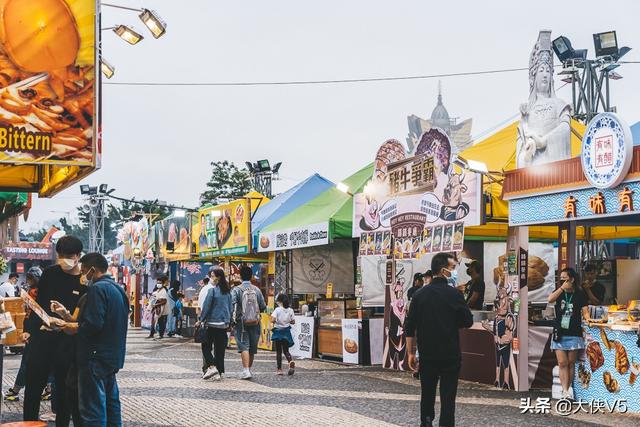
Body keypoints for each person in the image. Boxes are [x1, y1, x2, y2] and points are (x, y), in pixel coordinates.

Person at [55, 252, 129, 426]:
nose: (82, 276)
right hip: (112, 357)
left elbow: (93, 325)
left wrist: (67, 327)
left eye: (83, 271)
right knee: (112, 407)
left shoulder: (97, 289)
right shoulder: (118, 289)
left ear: (92, 270)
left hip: (94, 358)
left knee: (93, 411)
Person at [23, 236, 87, 425]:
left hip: (67, 343)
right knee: (33, 386)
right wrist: (29, 330)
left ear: (78, 256)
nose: (64, 259)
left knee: (65, 389)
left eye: (69, 256)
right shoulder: (50, 273)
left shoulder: (84, 282)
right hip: (42, 338)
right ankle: (29, 422)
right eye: (61, 255)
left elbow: (83, 318)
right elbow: (38, 304)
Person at [406, 253, 474, 427]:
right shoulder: (455, 294)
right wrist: (452, 321)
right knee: (448, 396)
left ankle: (426, 421)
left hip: (427, 354)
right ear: (444, 270)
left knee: (427, 393)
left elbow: (409, 326)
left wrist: (410, 353)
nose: (455, 271)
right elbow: (468, 321)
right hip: (450, 354)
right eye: (453, 268)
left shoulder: (419, 295)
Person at [548, 267, 591, 400]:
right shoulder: (559, 292)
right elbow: (550, 299)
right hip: (559, 332)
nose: (562, 280)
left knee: (571, 363)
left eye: (564, 278)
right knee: (562, 362)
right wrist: (562, 288)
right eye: (560, 279)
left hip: (574, 332)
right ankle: (564, 390)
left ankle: (568, 389)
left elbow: (585, 311)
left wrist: (589, 319)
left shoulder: (580, 293)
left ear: (572, 279)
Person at [5, 267, 42, 401]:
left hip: (33, 332)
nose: (29, 281)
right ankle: (48, 389)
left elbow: (32, 314)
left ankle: (16, 390)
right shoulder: (35, 291)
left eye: (31, 278)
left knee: (27, 361)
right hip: (35, 331)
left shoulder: (34, 292)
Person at [231, 265, 266, 380]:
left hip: (242, 322)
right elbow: (263, 306)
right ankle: (248, 370)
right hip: (255, 322)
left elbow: (232, 305)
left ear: (240, 276)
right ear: (251, 276)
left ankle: (246, 371)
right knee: (252, 347)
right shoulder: (257, 290)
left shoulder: (236, 290)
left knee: (244, 346)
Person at [198, 269, 232, 381]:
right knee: (220, 349)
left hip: (211, 324)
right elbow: (230, 308)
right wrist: (229, 321)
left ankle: (212, 367)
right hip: (223, 324)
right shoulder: (227, 292)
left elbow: (206, 307)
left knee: (205, 346)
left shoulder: (212, 291)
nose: (212, 278)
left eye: (213, 276)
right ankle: (220, 372)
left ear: (218, 277)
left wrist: (201, 320)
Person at [271, 294, 295, 376]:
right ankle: (290, 361)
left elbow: (273, 319)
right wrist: (287, 321)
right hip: (286, 332)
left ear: (279, 301)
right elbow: (293, 321)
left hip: (278, 332)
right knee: (286, 350)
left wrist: (274, 321)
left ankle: (279, 369)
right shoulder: (290, 310)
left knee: (278, 351)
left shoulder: (277, 310)